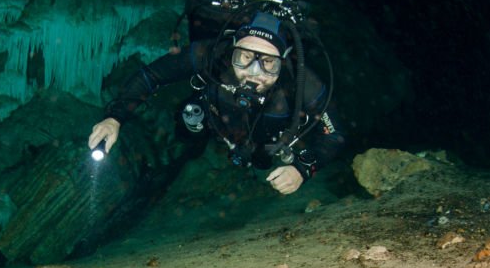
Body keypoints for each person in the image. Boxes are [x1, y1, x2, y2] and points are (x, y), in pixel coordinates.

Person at [87, 10, 345, 195]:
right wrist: (115, 117)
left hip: (266, 141)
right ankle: (191, 152)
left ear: (284, 61)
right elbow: (151, 76)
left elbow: (334, 135)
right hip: (214, 120)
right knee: (188, 126)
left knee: (262, 161)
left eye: (268, 62)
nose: (254, 73)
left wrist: (302, 169)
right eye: (245, 57)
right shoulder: (211, 54)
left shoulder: (302, 82)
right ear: (231, 51)